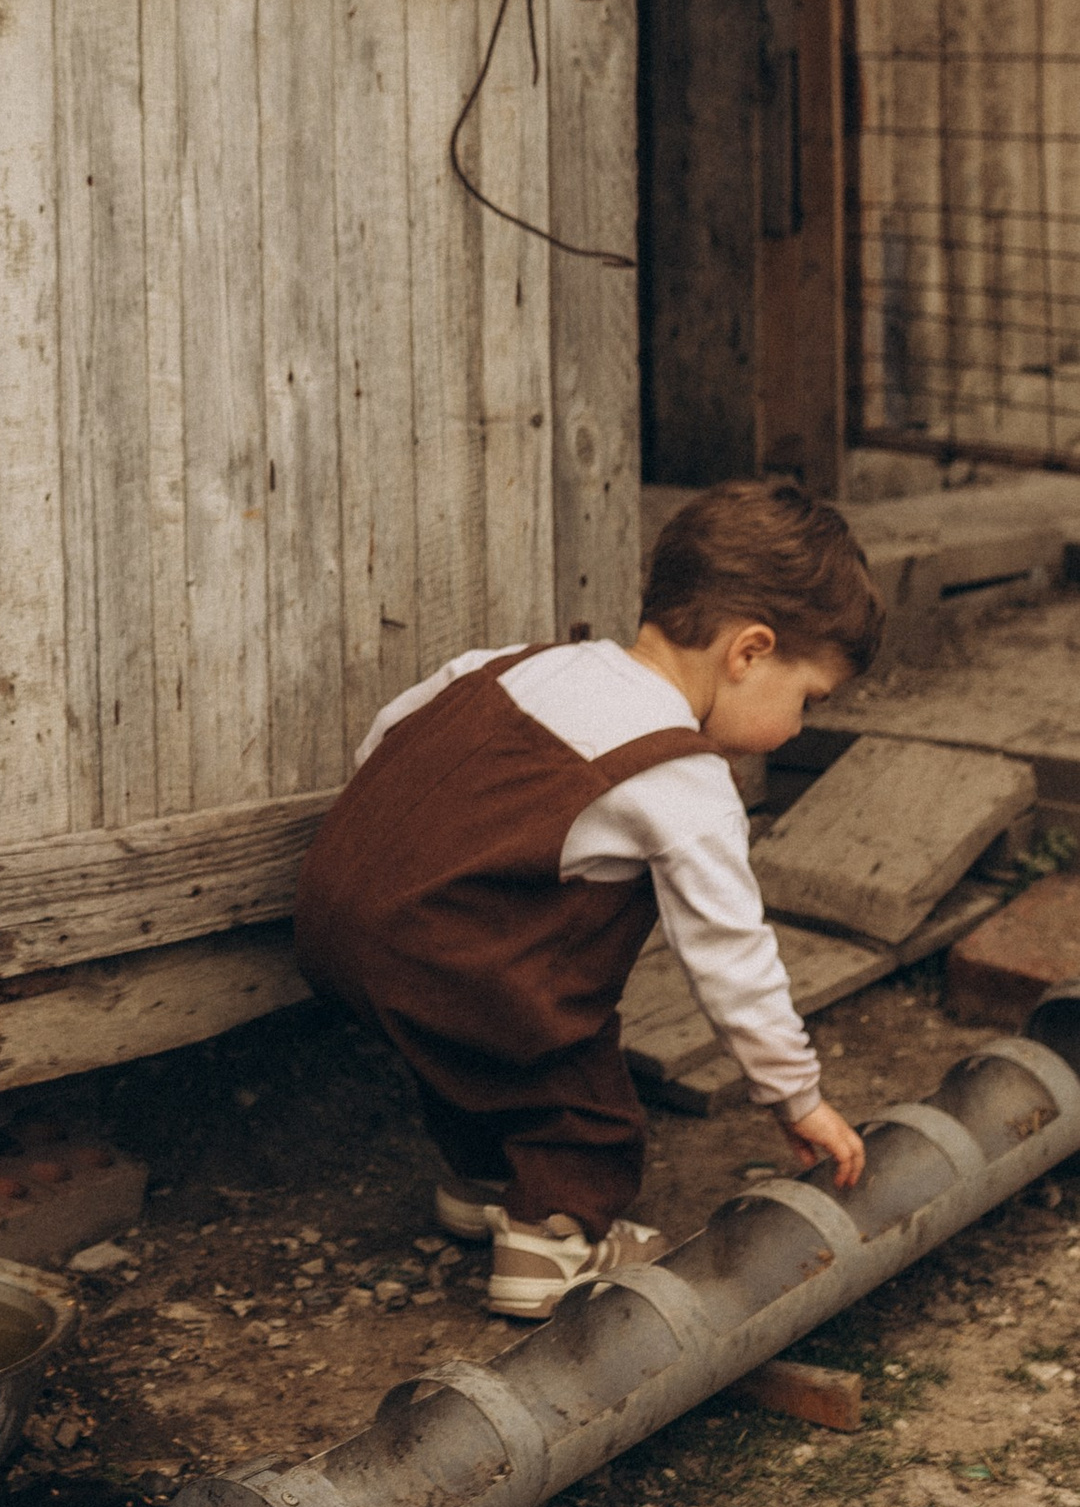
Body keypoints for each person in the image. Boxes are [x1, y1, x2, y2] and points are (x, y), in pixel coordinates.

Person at [294, 481, 877, 1319]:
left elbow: (392, 733)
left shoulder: (524, 663)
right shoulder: (682, 773)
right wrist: (798, 1095)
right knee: (566, 1064)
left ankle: (482, 1182)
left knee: (463, 1035)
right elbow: (731, 956)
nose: (796, 728)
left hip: (334, 914)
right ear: (748, 652)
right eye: (807, 700)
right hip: (447, 953)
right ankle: (553, 1239)